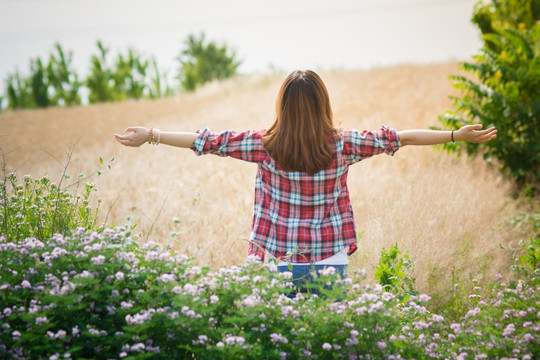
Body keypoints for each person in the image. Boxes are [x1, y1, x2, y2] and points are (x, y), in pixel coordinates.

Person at [114, 70, 497, 293]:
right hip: (330, 263)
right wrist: (455, 135)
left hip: (274, 264)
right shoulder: (345, 144)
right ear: (323, 105)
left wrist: (151, 134)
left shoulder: (262, 145)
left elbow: (206, 141)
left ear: (282, 106)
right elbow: (402, 137)